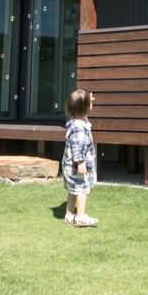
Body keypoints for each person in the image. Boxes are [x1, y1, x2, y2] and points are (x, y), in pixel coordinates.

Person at [62, 89, 98, 227]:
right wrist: (81, 162)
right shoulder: (80, 127)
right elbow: (78, 146)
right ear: (86, 108)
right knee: (82, 190)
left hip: (70, 166)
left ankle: (69, 215)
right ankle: (80, 217)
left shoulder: (75, 121)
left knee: (73, 189)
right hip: (77, 166)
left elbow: (82, 114)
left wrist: (87, 102)